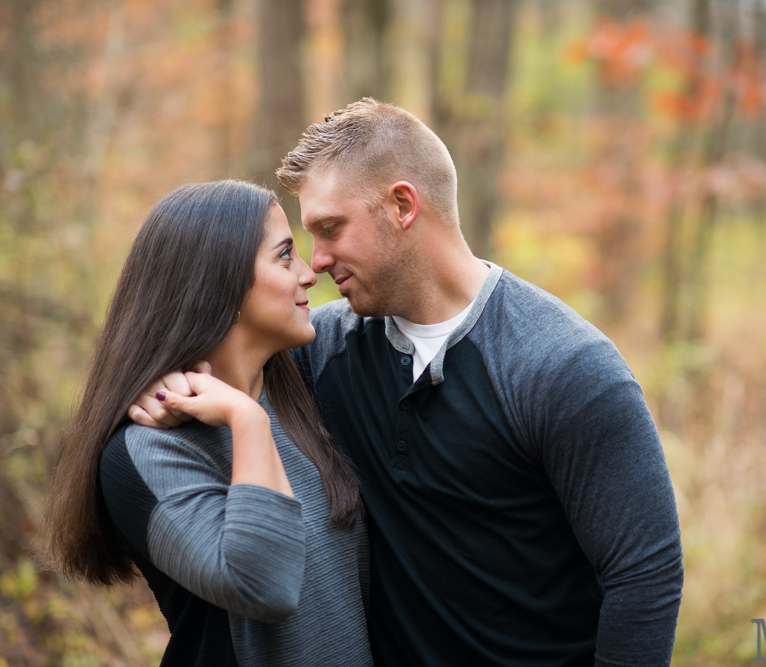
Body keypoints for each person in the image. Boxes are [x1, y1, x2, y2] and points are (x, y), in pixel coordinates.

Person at [134, 99, 684, 666]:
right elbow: (217, 347)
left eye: (330, 229)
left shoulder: (563, 367)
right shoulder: (317, 352)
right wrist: (159, 384)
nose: (316, 261)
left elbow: (645, 576)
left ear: (402, 205)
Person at [42, 180, 373, 667]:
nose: (309, 273)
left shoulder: (307, 379)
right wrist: (247, 422)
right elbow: (266, 587)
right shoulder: (148, 452)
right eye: (285, 256)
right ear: (220, 282)